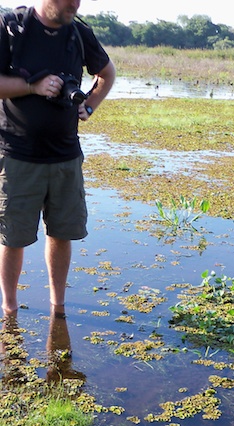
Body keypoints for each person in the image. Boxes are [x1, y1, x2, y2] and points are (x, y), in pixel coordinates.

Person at [0, 0, 116, 319]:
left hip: (66, 155)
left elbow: (106, 73)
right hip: (18, 155)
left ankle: (58, 306)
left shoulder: (78, 32)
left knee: (62, 233)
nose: (74, 4)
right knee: (13, 237)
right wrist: (33, 86)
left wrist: (89, 104)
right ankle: (9, 309)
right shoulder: (12, 27)